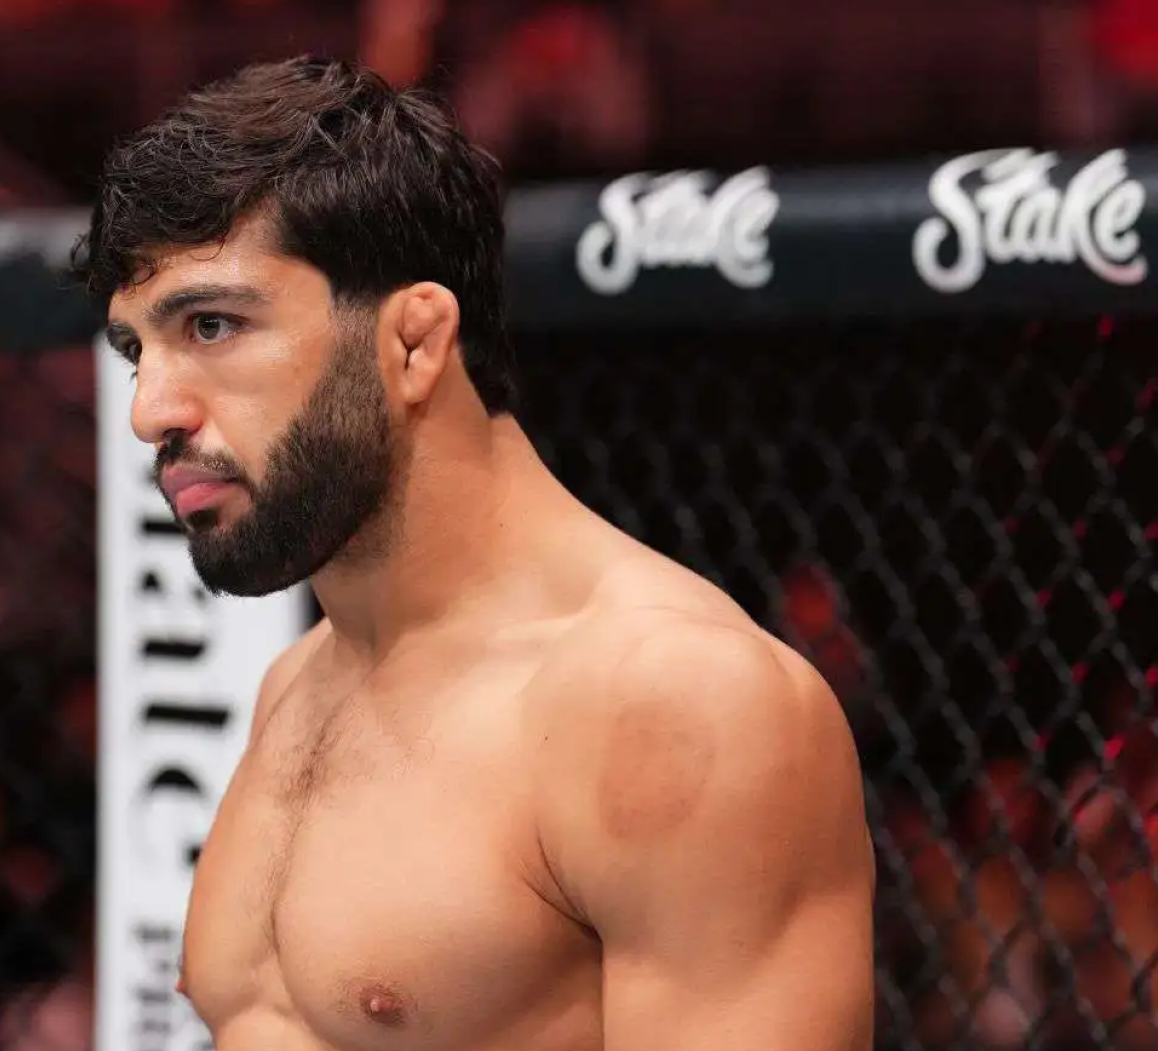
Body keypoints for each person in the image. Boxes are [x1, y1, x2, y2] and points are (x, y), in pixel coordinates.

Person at [72, 56, 875, 1051]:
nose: (151, 410)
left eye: (211, 325)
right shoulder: (298, 684)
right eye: (137, 352)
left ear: (413, 343)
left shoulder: (678, 698)